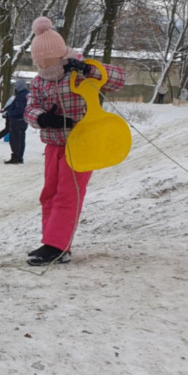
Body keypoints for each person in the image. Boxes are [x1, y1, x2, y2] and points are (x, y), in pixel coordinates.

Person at [25, 17, 124, 266]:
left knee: (67, 196)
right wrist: (44, 119)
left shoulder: (81, 73)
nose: (46, 68)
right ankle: (51, 242)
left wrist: (91, 70)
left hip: (82, 145)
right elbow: (30, 108)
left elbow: (117, 79)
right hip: (54, 145)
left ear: (61, 55)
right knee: (49, 194)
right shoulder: (39, 82)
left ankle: (57, 246)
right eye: (41, 63)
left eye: (50, 62)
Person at [2, 80, 29, 165]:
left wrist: (10, 113)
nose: (15, 88)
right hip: (24, 120)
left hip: (17, 120)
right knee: (21, 139)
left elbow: (19, 109)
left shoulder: (20, 96)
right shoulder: (27, 94)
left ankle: (15, 158)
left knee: (15, 139)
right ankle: (20, 157)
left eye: (16, 86)